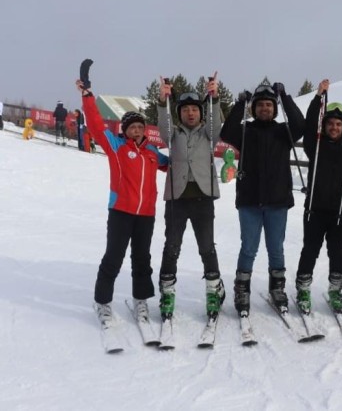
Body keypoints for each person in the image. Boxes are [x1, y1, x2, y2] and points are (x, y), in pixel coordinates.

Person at [76, 79, 169, 326]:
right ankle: (103, 302)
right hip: (120, 212)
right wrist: (87, 96)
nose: (138, 130)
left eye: (141, 126)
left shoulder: (152, 153)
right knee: (114, 258)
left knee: (142, 259)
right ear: (125, 130)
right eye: (133, 127)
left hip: (146, 215)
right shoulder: (116, 147)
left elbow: (174, 165)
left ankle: (141, 301)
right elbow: (95, 125)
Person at [219, 81, 304, 317]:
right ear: (254, 109)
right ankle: (242, 288)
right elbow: (226, 133)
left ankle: (276, 288)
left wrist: (284, 96)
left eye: (269, 105)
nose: (265, 108)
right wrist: (239, 104)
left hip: (277, 201)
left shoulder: (283, 132)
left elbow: (300, 125)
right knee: (249, 248)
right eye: (260, 105)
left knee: (276, 249)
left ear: (274, 109)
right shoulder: (245, 131)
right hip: (249, 201)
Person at [156, 75, 224, 321]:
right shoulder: (173, 134)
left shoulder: (208, 133)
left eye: (195, 109)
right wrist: (163, 100)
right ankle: (167, 293)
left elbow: (217, 123)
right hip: (176, 198)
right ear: (180, 113)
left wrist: (214, 97)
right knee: (172, 246)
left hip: (203, 198)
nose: (191, 113)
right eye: (186, 110)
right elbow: (163, 126)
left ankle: (214, 290)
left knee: (207, 247)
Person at [295, 79, 342, 315]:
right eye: (330, 124)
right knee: (310, 250)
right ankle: (303, 290)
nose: (334, 127)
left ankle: (335, 290)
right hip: (314, 210)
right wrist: (318, 97)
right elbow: (308, 127)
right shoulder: (314, 144)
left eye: (338, 124)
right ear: (325, 125)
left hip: (339, 213)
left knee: (337, 252)